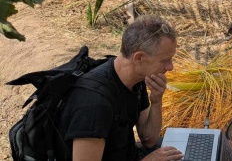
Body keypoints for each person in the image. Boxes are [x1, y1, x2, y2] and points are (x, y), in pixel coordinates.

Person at [56, 15, 184, 161]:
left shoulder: (136, 78)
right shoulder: (94, 104)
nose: (170, 67)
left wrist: (156, 101)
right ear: (139, 58)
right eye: (165, 60)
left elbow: (149, 139)